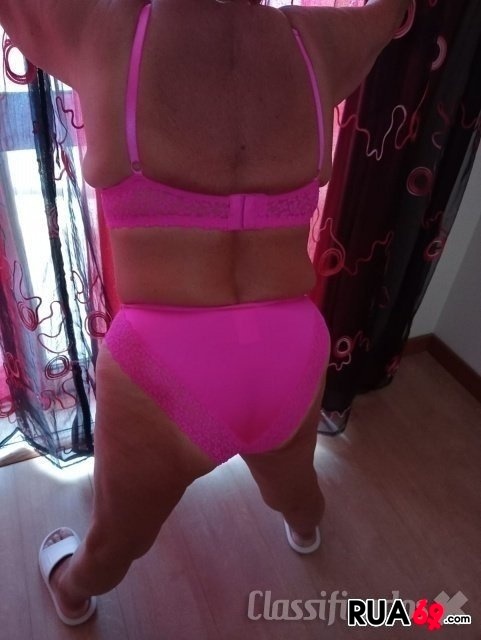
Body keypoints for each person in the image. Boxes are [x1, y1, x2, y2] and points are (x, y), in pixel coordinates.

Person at [0, 0, 410, 626]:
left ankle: (74, 593)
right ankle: (305, 527)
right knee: (297, 488)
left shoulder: (106, 26)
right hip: (289, 346)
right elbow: (395, 11)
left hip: (161, 366)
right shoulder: (316, 39)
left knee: (116, 541)